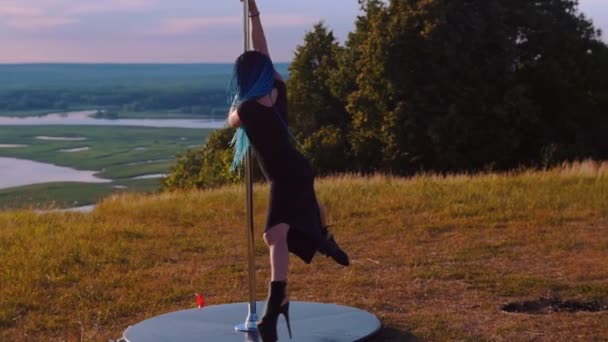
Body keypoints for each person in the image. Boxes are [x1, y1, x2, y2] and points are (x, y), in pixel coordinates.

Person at [228, 0, 350, 340]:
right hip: (297, 168)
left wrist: (235, 103)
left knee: (273, 235)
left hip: (285, 175)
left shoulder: (247, 109)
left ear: (243, 78)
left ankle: (276, 301)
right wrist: (254, 12)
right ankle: (321, 238)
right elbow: (263, 51)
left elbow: (230, 121)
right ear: (263, 74)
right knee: (281, 230)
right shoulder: (277, 91)